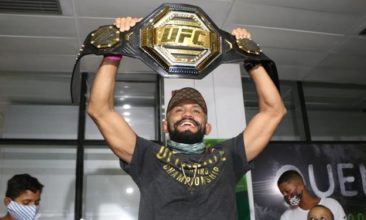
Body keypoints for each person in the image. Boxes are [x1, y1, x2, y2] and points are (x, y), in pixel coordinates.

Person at [87, 16, 286, 220]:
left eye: (196, 110)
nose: (188, 113)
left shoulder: (229, 156)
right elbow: (100, 110)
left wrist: (251, 58)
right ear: (165, 125)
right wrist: (114, 49)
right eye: (179, 110)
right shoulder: (147, 157)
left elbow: (274, 111)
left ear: (207, 127)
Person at [277, 170, 346, 220]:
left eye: (288, 191)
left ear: (300, 186)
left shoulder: (331, 204)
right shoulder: (287, 217)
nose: (286, 197)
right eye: (283, 194)